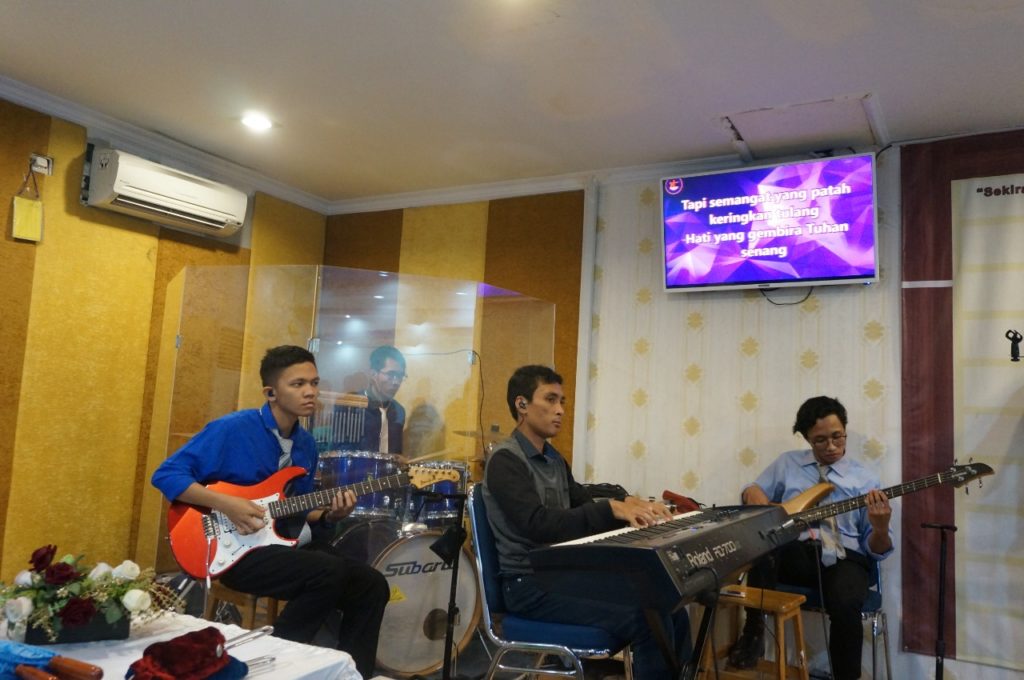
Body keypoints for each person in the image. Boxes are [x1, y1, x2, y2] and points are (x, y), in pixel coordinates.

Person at [151, 345, 389, 678]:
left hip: (279, 544)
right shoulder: (232, 429)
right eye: (298, 384)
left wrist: (329, 516)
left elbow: (295, 510)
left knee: (372, 583)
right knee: (328, 572)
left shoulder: (306, 445)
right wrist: (226, 503)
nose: (310, 392)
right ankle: (273, 666)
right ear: (271, 393)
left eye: (314, 383)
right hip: (232, 551)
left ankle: (352, 674)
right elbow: (165, 475)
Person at [482, 365, 691, 679]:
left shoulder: (554, 459)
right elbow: (537, 524)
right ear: (522, 404)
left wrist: (632, 508)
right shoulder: (505, 461)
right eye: (550, 400)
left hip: (560, 578)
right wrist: (610, 509)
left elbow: (585, 507)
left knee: (671, 606)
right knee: (648, 619)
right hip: (527, 586)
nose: (560, 410)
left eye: (562, 401)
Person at [729, 396, 893, 680]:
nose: (831, 446)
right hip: (795, 553)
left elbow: (877, 549)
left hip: (844, 558)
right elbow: (753, 491)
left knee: (846, 602)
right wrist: (751, 492)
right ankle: (753, 632)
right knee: (762, 547)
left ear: (845, 430)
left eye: (837, 436)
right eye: (820, 440)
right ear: (807, 438)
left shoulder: (865, 479)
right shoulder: (788, 463)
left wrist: (880, 528)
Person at [360, 345, 407, 455]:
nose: (396, 382)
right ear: (373, 374)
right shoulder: (353, 405)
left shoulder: (399, 411)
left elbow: (396, 452)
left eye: (400, 376)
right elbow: (341, 452)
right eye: (391, 374)